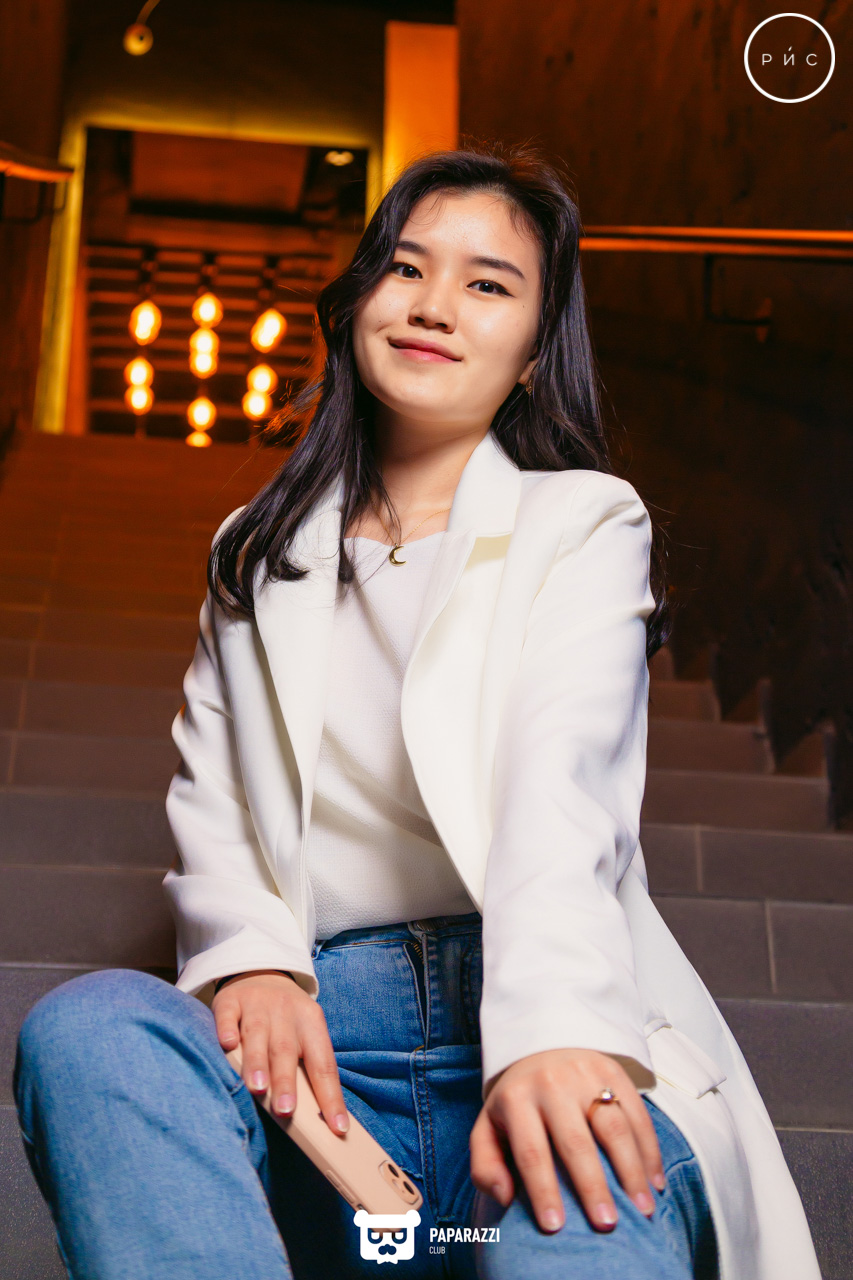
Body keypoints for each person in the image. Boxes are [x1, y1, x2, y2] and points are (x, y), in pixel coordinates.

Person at [14, 142, 820, 1280]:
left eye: (488, 283)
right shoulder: (254, 550)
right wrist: (251, 960)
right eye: (405, 267)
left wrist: (554, 1033)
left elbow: (561, 788)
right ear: (358, 301)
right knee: (89, 1028)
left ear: (535, 354)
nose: (434, 304)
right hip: (321, 1080)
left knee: (575, 1215)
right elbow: (217, 801)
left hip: (531, 1014)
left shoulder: (583, 522)